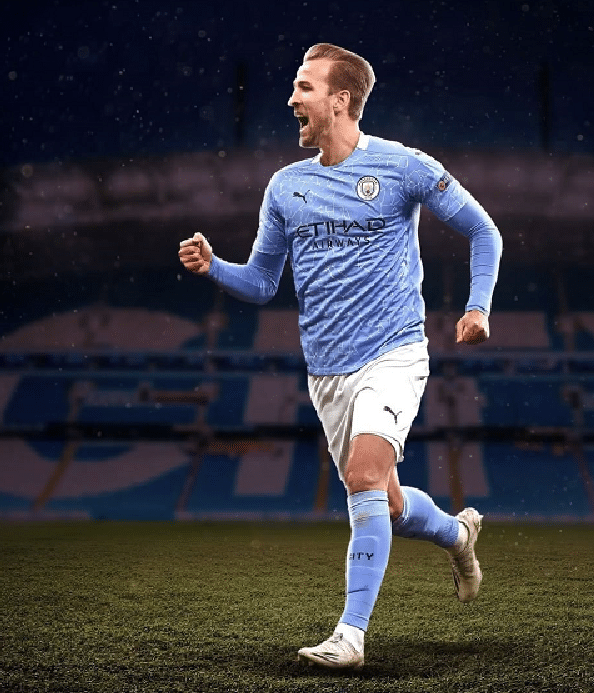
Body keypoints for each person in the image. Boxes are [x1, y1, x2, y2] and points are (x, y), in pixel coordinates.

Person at [179, 43, 503, 670]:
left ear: (341, 100)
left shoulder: (403, 166)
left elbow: (481, 230)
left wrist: (477, 307)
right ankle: (459, 535)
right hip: (326, 371)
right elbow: (263, 283)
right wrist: (214, 266)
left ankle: (350, 636)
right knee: (387, 504)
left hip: (394, 352)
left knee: (362, 477)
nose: (292, 98)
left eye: (305, 87)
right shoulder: (287, 186)